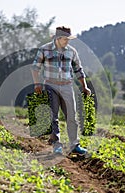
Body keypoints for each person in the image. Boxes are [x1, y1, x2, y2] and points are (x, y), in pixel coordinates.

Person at [31, 26, 91, 155]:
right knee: (53, 116)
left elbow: (78, 70)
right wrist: (37, 84)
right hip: (50, 85)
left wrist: (84, 86)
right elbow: (35, 68)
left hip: (67, 86)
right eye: (65, 39)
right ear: (58, 38)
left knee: (71, 116)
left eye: (68, 39)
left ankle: (75, 145)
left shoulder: (71, 51)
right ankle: (56, 144)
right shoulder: (45, 49)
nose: (67, 41)